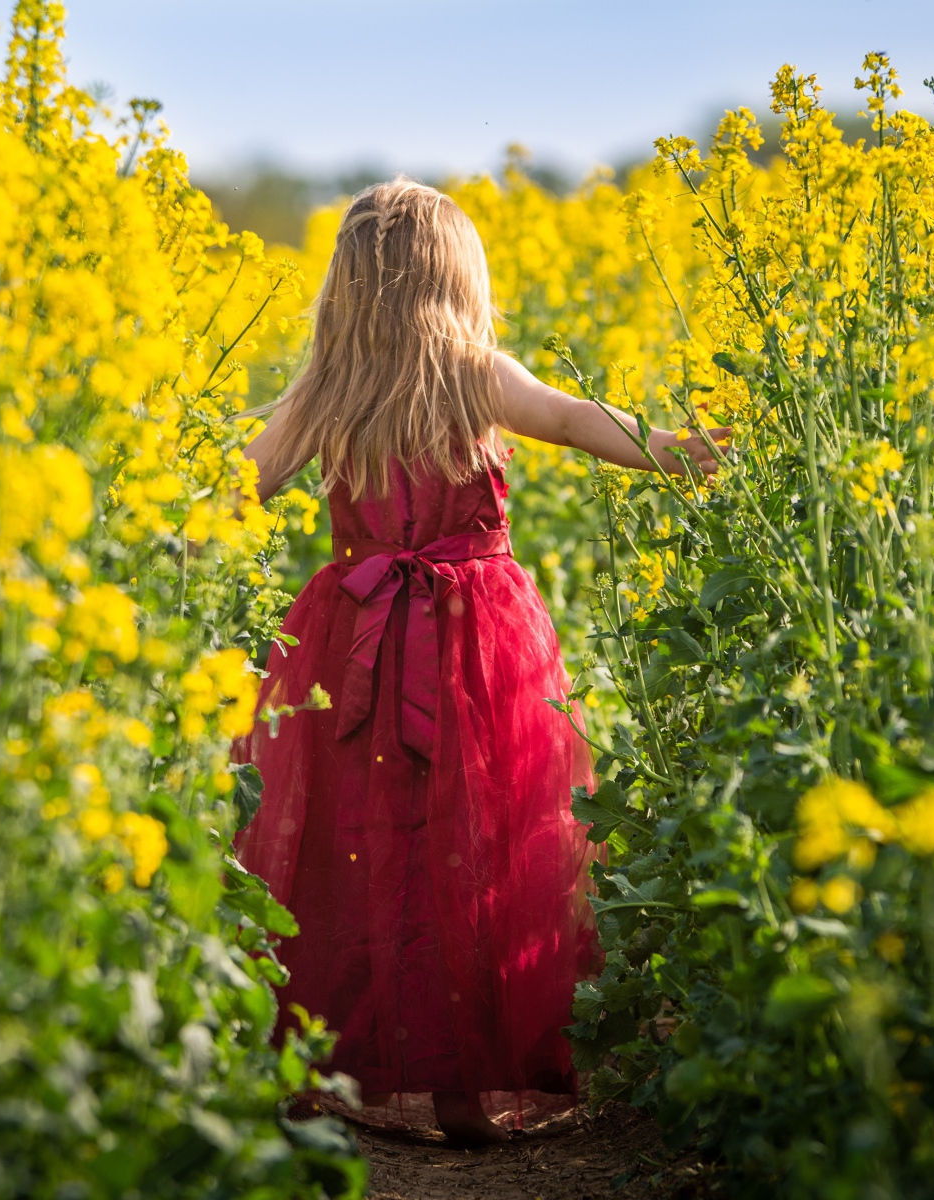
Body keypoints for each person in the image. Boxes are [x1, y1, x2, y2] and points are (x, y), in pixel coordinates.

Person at [237, 178, 726, 1145]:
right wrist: (673, 450)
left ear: (346, 286)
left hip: (355, 639)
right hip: (476, 638)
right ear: (457, 278)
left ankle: (352, 1070)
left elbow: (239, 481)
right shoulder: (472, 369)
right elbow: (575, 417)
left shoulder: (328, 386)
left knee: (358, 847)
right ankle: (466, 1087)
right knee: (475, 846)